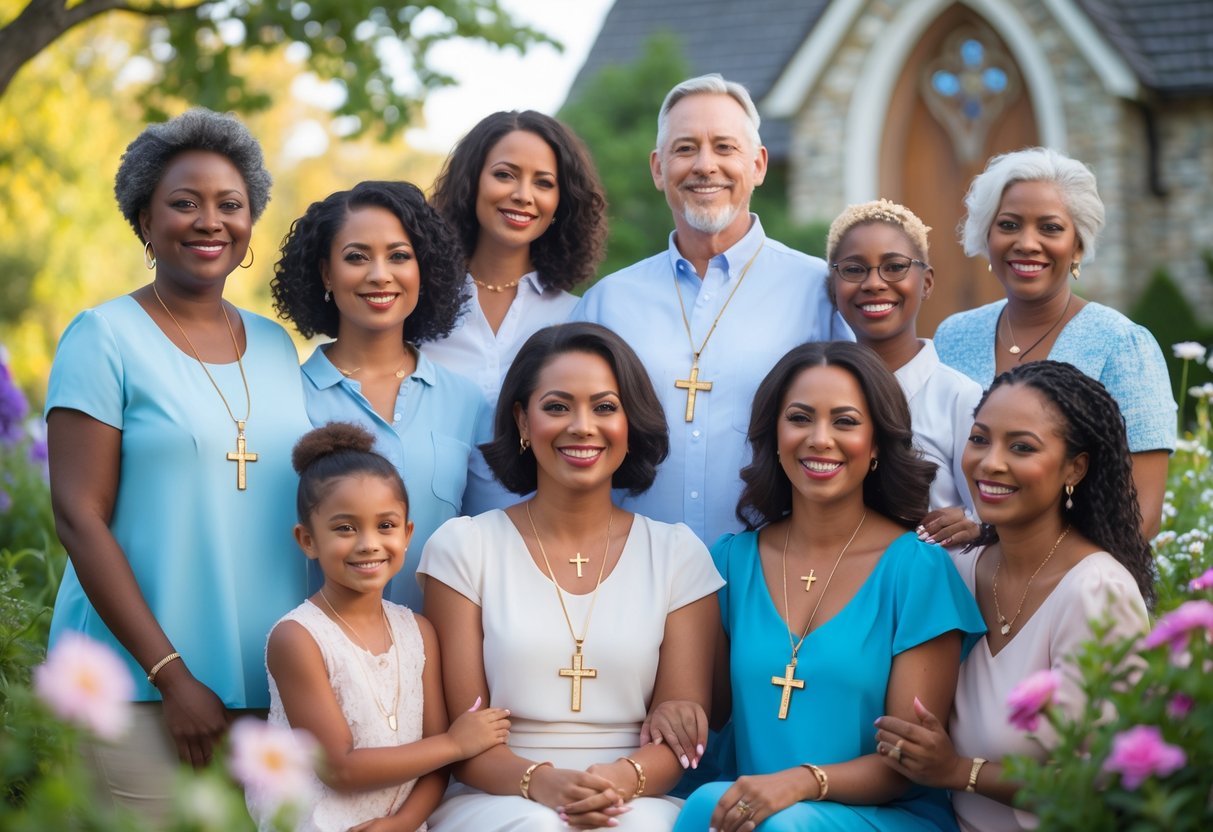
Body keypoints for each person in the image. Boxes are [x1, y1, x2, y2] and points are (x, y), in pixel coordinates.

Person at [45, 108, 311, 821]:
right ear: (144, 220)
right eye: (184, 203)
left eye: (231, 205)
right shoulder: (102, 337)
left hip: (269, 691)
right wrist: (171, 676)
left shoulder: (278, 346)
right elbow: (78, 516)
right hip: (142, 687)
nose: (209, 221)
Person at [419, 322, 722, 830]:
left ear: (630, 423)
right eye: (557, 407)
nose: (583, 426)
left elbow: (681, 736)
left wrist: (616, 780)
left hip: (635, 793)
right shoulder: (464, 549)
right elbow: (463, 741)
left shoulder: (678, 556)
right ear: (521, 420)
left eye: (605, 407)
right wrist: (543, 780)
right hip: (496, 792)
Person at [673, 341, 985, 832]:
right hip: (757, 809)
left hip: (884, 814)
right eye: (800, 418)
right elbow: (700, 717)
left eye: (845, 421)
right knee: (706, 804)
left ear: (877, 442)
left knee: (784, 825)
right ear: (774, 435)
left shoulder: (917, 571)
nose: (820, 439)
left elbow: (906, 762)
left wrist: (800, 782)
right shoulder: (733, 563)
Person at [872, 361, 1153, 832]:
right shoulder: (957, 569)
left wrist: (957, 772)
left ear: (1075, 468)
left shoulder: (1096, 591)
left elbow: (1112, 781)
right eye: (980, 438)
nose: (990, 462)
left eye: (1021, 447)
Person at [573, 73, 851, 546]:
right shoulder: (607, 302)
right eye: (685, 149)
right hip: (633, 574)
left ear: (758, 164)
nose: (705, 165)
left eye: (725, 147)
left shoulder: (819, 290)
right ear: (659, 169)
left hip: (776, 574)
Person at [255, 422, 511, 832]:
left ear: (407, 534)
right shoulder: (299, 638)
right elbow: (338, 768)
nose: (368, 543)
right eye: (345, 528)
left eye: (385, 525)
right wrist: (455, 743)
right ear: (307, 539)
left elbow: (436, 768)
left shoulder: (419, 632)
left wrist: (404, 823)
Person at [934, 147, 1174, 538]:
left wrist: (990, 537)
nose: (1027, 243)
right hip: (958, 583)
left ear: (1077, 245)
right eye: (1009, 225)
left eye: (1050, 228)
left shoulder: (1123, 345)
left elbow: (1141, 517)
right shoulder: (953, 336)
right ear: (986, 236)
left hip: (1075, 583)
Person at [272, 180, 486, 609]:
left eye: (399, 256)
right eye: (356, 257)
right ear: (326, 273)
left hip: (433, 657)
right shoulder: (282, 398)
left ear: (422, 271)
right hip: (314, 657)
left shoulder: (467, 402)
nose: (379, 274)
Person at [426, 110, 607, 514]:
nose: (523, 194)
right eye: (505, 175)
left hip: (537, 550)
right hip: (420, 538)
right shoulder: (418, 308)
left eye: (543, 183)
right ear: (471, 183)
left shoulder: (578, 318)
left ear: (561, 202)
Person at [825, 199, 981, 547]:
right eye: (853, 269)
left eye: (894, 266)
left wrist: (976, 523)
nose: (874, 283)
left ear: (926, 283)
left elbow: (984, 509)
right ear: (832, 288)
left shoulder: (959, 398)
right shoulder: (823, 393)